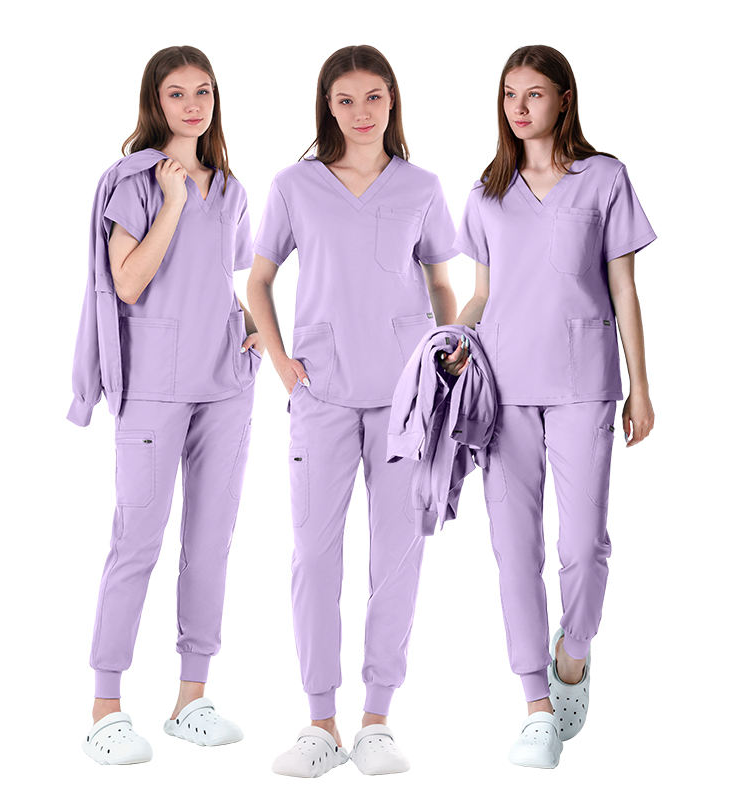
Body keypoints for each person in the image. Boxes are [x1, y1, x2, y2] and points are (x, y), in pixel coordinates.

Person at [247, 44, 461, 777]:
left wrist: (449, 352)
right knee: (314, 554)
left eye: (374, 97)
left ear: (392, 101)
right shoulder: (294, 186)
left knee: (397, 554)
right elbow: (259, 281)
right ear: (327, 107)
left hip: (406, 398)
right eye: (346, 100)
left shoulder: (422, 186)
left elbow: (441, 284)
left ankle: (376, 720)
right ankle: (319, 721)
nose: (361, 112)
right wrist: (282, 364)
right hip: (322, 394)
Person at [451, 44, 656, 769]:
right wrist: (455, 341)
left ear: (564, 98)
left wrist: (641, 385)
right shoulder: (486, 193)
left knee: (583, 545)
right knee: (514, 547)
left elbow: (624, 286)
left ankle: (574, 652)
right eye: (510, 93)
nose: (519, 106)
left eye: (533, 93)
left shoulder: (604, 179)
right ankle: (536, 704)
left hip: (583, 382)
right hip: (503, 389)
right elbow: (483, 292)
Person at [68, 45, 262, 765]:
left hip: (225, 385)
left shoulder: (232, 189)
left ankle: (191, 699)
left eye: (203, 91)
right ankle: (106, 708)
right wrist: (173, 202)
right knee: (137, 543)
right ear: (155, 101)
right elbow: (127, 281)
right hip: (153, 384)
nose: (192, 105)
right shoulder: (134, 182)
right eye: (177, 92)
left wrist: (252, 332)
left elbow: (218, 280)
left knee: (210, 543)